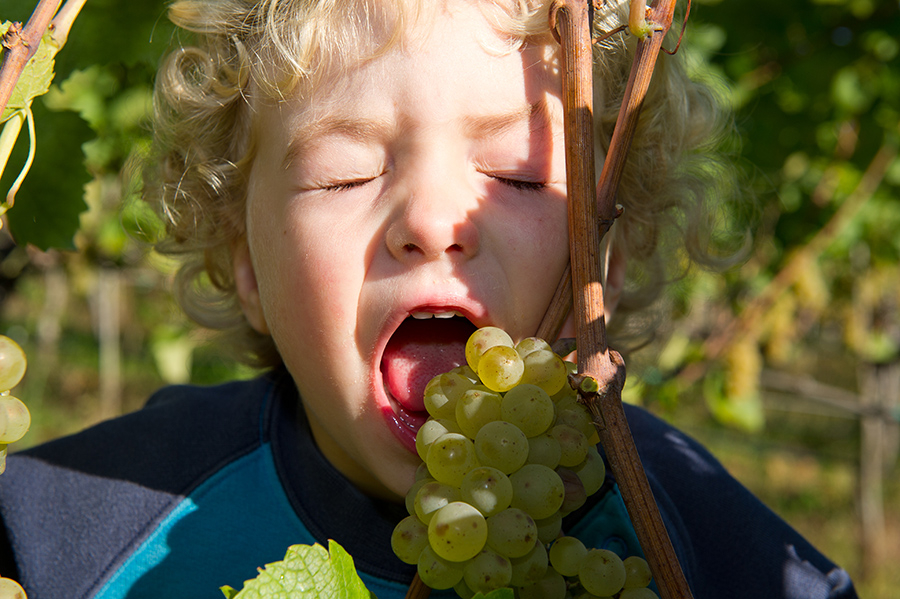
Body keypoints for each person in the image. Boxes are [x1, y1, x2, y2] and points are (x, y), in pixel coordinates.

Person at [0, 1, 858, 598]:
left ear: (613, 259)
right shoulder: (73, 527)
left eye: (516, 177)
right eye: (345, 173)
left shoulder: (725, 564)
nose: (433, 219)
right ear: (247, 264)